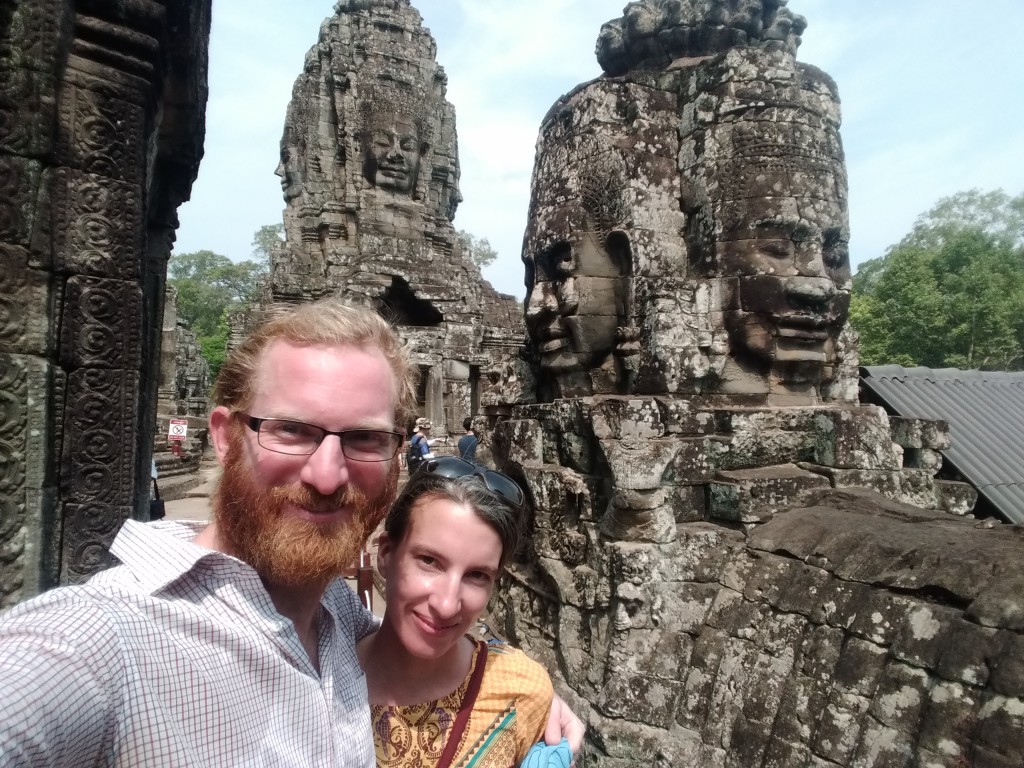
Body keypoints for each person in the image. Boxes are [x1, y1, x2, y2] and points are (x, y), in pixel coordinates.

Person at [0, 299, 582, 766]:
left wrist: (524, 688)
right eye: (293, 430)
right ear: (226, 436)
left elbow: (421, 628)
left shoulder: (333, 611)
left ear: (397, 455)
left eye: (364, 438)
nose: (327, 476)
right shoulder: (97, 642)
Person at [358, 457, 572, 768]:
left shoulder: (519, 693)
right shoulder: (315, 675)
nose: (447, 605)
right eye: (429, 561)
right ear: (387, 554)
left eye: (476, 575)